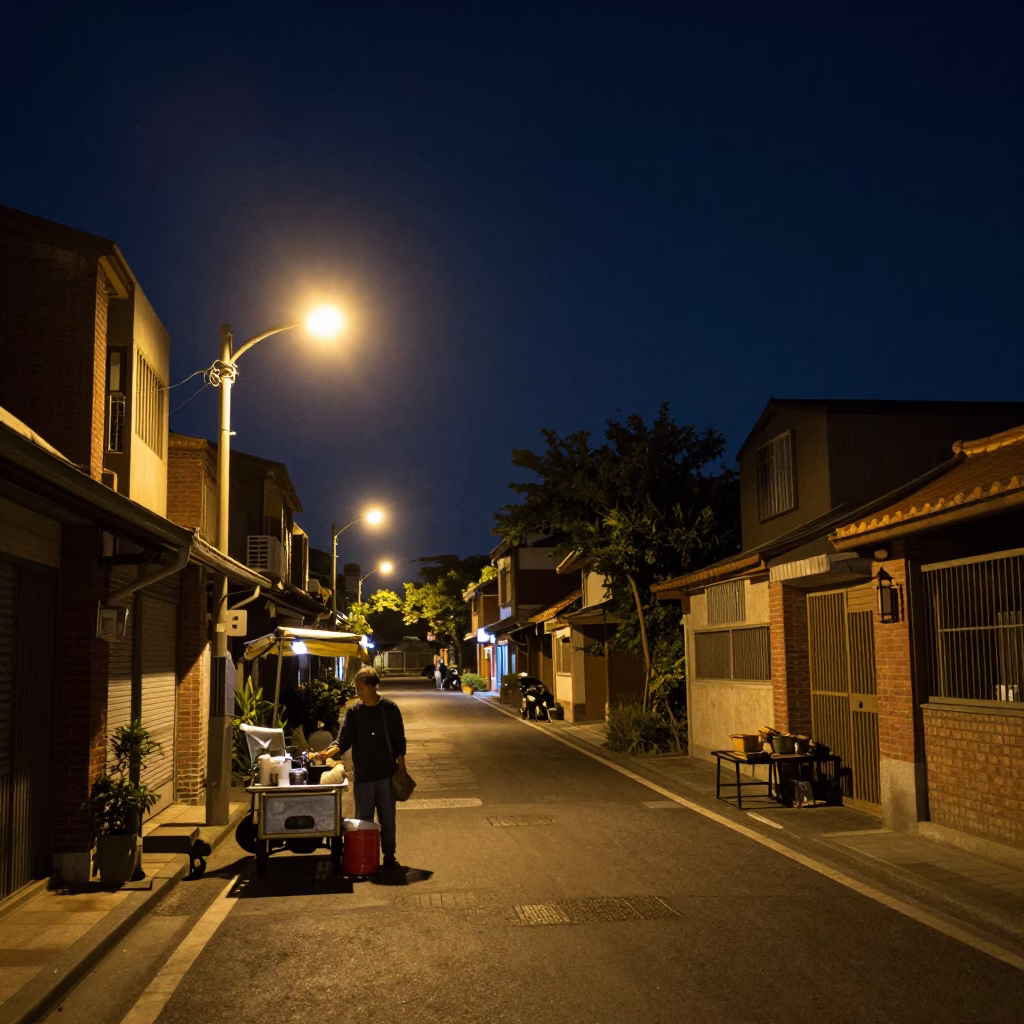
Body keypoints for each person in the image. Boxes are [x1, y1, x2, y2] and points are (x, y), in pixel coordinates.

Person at [309, 666, 407, 869]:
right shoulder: (354, 712)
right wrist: (326, 753)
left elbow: (399, 739)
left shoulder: (390, 709)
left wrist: (402, 767)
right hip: (363, 774)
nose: (358, 692)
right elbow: (343, 740)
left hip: (386, 774)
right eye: (357, 688)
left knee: (388, 818)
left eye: (361, 688)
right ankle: (366, 857)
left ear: (373, 687)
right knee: (364, 819)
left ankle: (389, 855)